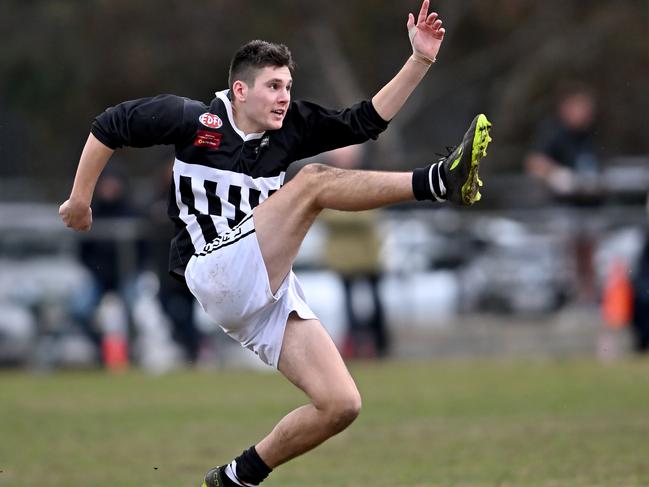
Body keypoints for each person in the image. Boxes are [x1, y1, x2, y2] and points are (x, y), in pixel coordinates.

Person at [59, 2, 493, 485]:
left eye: (288, 86)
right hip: (213, 270)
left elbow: (364, 122)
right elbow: (110, 126)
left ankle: (237, 476)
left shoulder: (289, 129)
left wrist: (420, 60)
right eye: (273, 86)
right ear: (240, 90)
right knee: (311, 183)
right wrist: (80, 200)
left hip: (266, 286)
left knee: (341, 404)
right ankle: (437, 182)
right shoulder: (193, 120)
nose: (285, 97)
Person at [320, 145, 390, 358]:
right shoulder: (326, 181)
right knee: (349, 304)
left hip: (369, 255)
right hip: (343, 258)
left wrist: (341, 212)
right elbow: (321, 214)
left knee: (376, 302)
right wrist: (354, 210)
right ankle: (356, 345)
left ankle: (380, 344)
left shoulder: (369, 177)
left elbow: (371, 214)